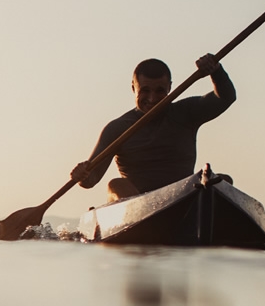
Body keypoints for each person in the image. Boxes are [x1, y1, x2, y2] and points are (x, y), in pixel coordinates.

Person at [71, 54, 235, 202]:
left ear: (170, 88)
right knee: (116, 185)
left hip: (182, 200)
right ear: (134, 88)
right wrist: (81, 175)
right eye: (145, 91)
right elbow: (90, 180)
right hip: (137, 206)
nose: (152, 98)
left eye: (159, 91)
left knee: (222, 181)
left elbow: (226, 97)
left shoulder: (187, 112)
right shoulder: (117, 128)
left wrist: (216, 72)